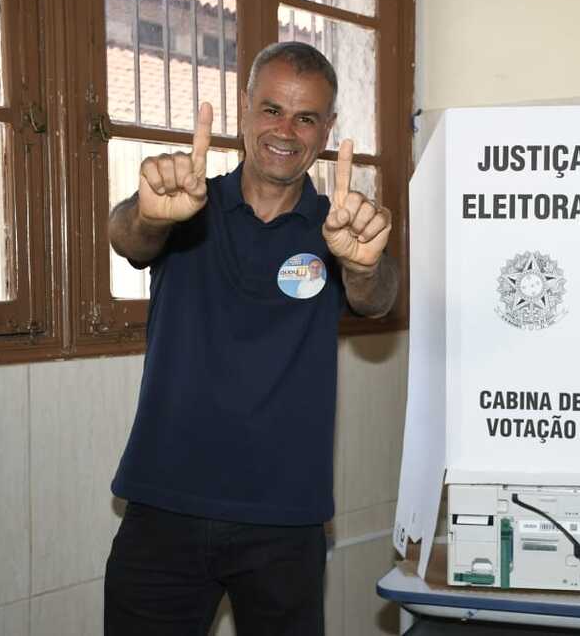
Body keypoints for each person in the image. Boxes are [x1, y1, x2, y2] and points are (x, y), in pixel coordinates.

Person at [104, 41, 397, 635]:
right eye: (271, 109)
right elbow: (129, 237)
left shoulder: (337, 226)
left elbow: (378, 295)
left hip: (284, 523)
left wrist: (363, 265)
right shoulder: (187, 203)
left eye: (306, 117)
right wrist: (150, 214)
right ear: (244, 108)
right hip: (164, 506)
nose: (285, 130)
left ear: (327, 129)